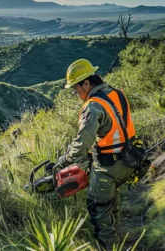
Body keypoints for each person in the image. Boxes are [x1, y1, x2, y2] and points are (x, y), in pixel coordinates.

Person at [56, 59, 136, 250]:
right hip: (130, 158)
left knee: (98, 210)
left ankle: (110, 247)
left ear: (86, 83)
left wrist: (63, 161)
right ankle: (120, 240)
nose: (75, 93)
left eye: (75, 88)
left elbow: (82, 144)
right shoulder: (116, 93)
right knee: (111, 203)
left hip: (109, 166)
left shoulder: (93, 107)